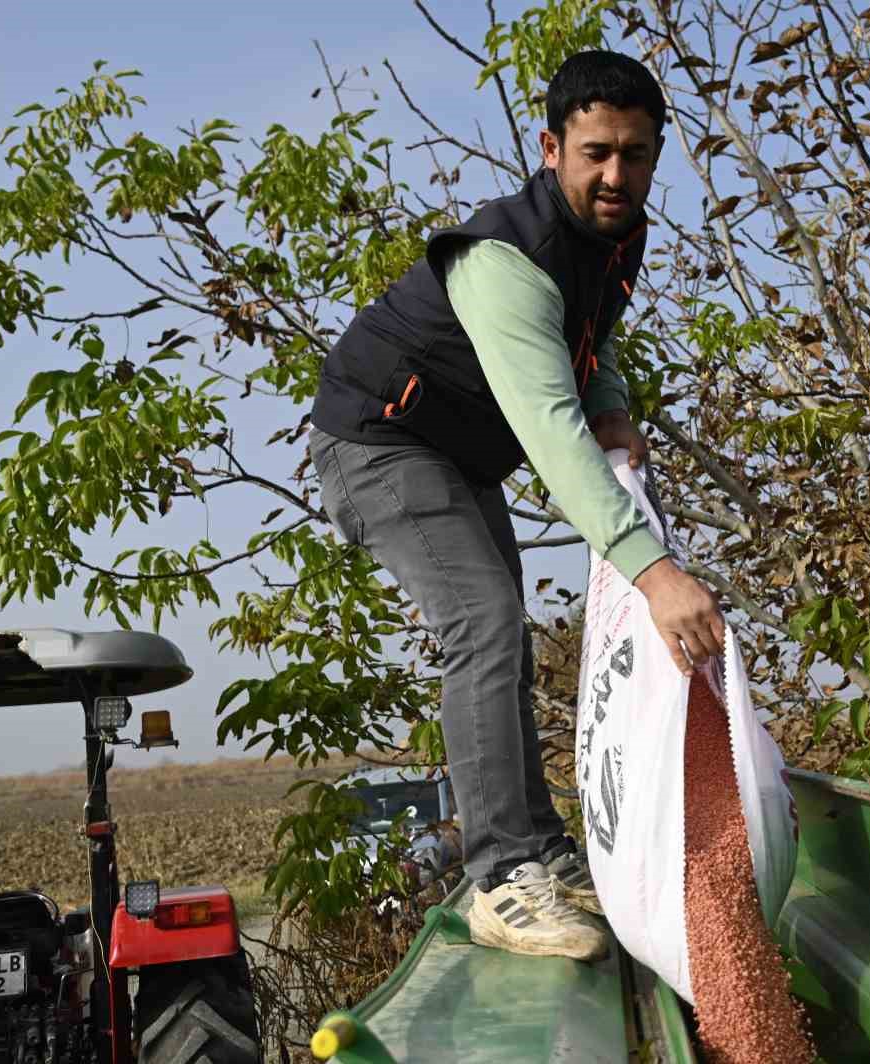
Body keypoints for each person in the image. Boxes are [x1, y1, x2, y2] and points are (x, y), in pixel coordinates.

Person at [307, 49, 725, 962]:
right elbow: (549, 432)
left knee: (508, 632)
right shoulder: (507, 259)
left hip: (456, 455)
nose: (617, 175)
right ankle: (501, 880)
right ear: (552, 148)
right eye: (597, 153)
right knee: (485, 623)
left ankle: (539, 849)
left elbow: (591, 336)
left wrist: (612, 403)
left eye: (638, 154)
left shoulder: (617, 231)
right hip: (379, 438)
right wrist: (656, 577)